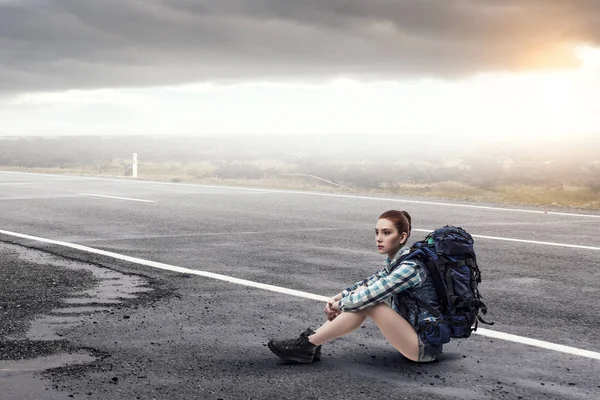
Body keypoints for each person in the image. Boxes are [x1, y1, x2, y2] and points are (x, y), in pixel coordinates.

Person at [267, 210, 443, 363]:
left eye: (386, 233)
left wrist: (340, 305)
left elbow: (372, 295)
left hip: (424, 348)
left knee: (370, 302)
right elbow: (368, 283)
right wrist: (337, 297)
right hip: (410, 336)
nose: (379, 238)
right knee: (360, 294)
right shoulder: (397, 262)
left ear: (402, 237)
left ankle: (308, 344)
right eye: (377, 232)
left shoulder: (410, 268)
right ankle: (312, 342)